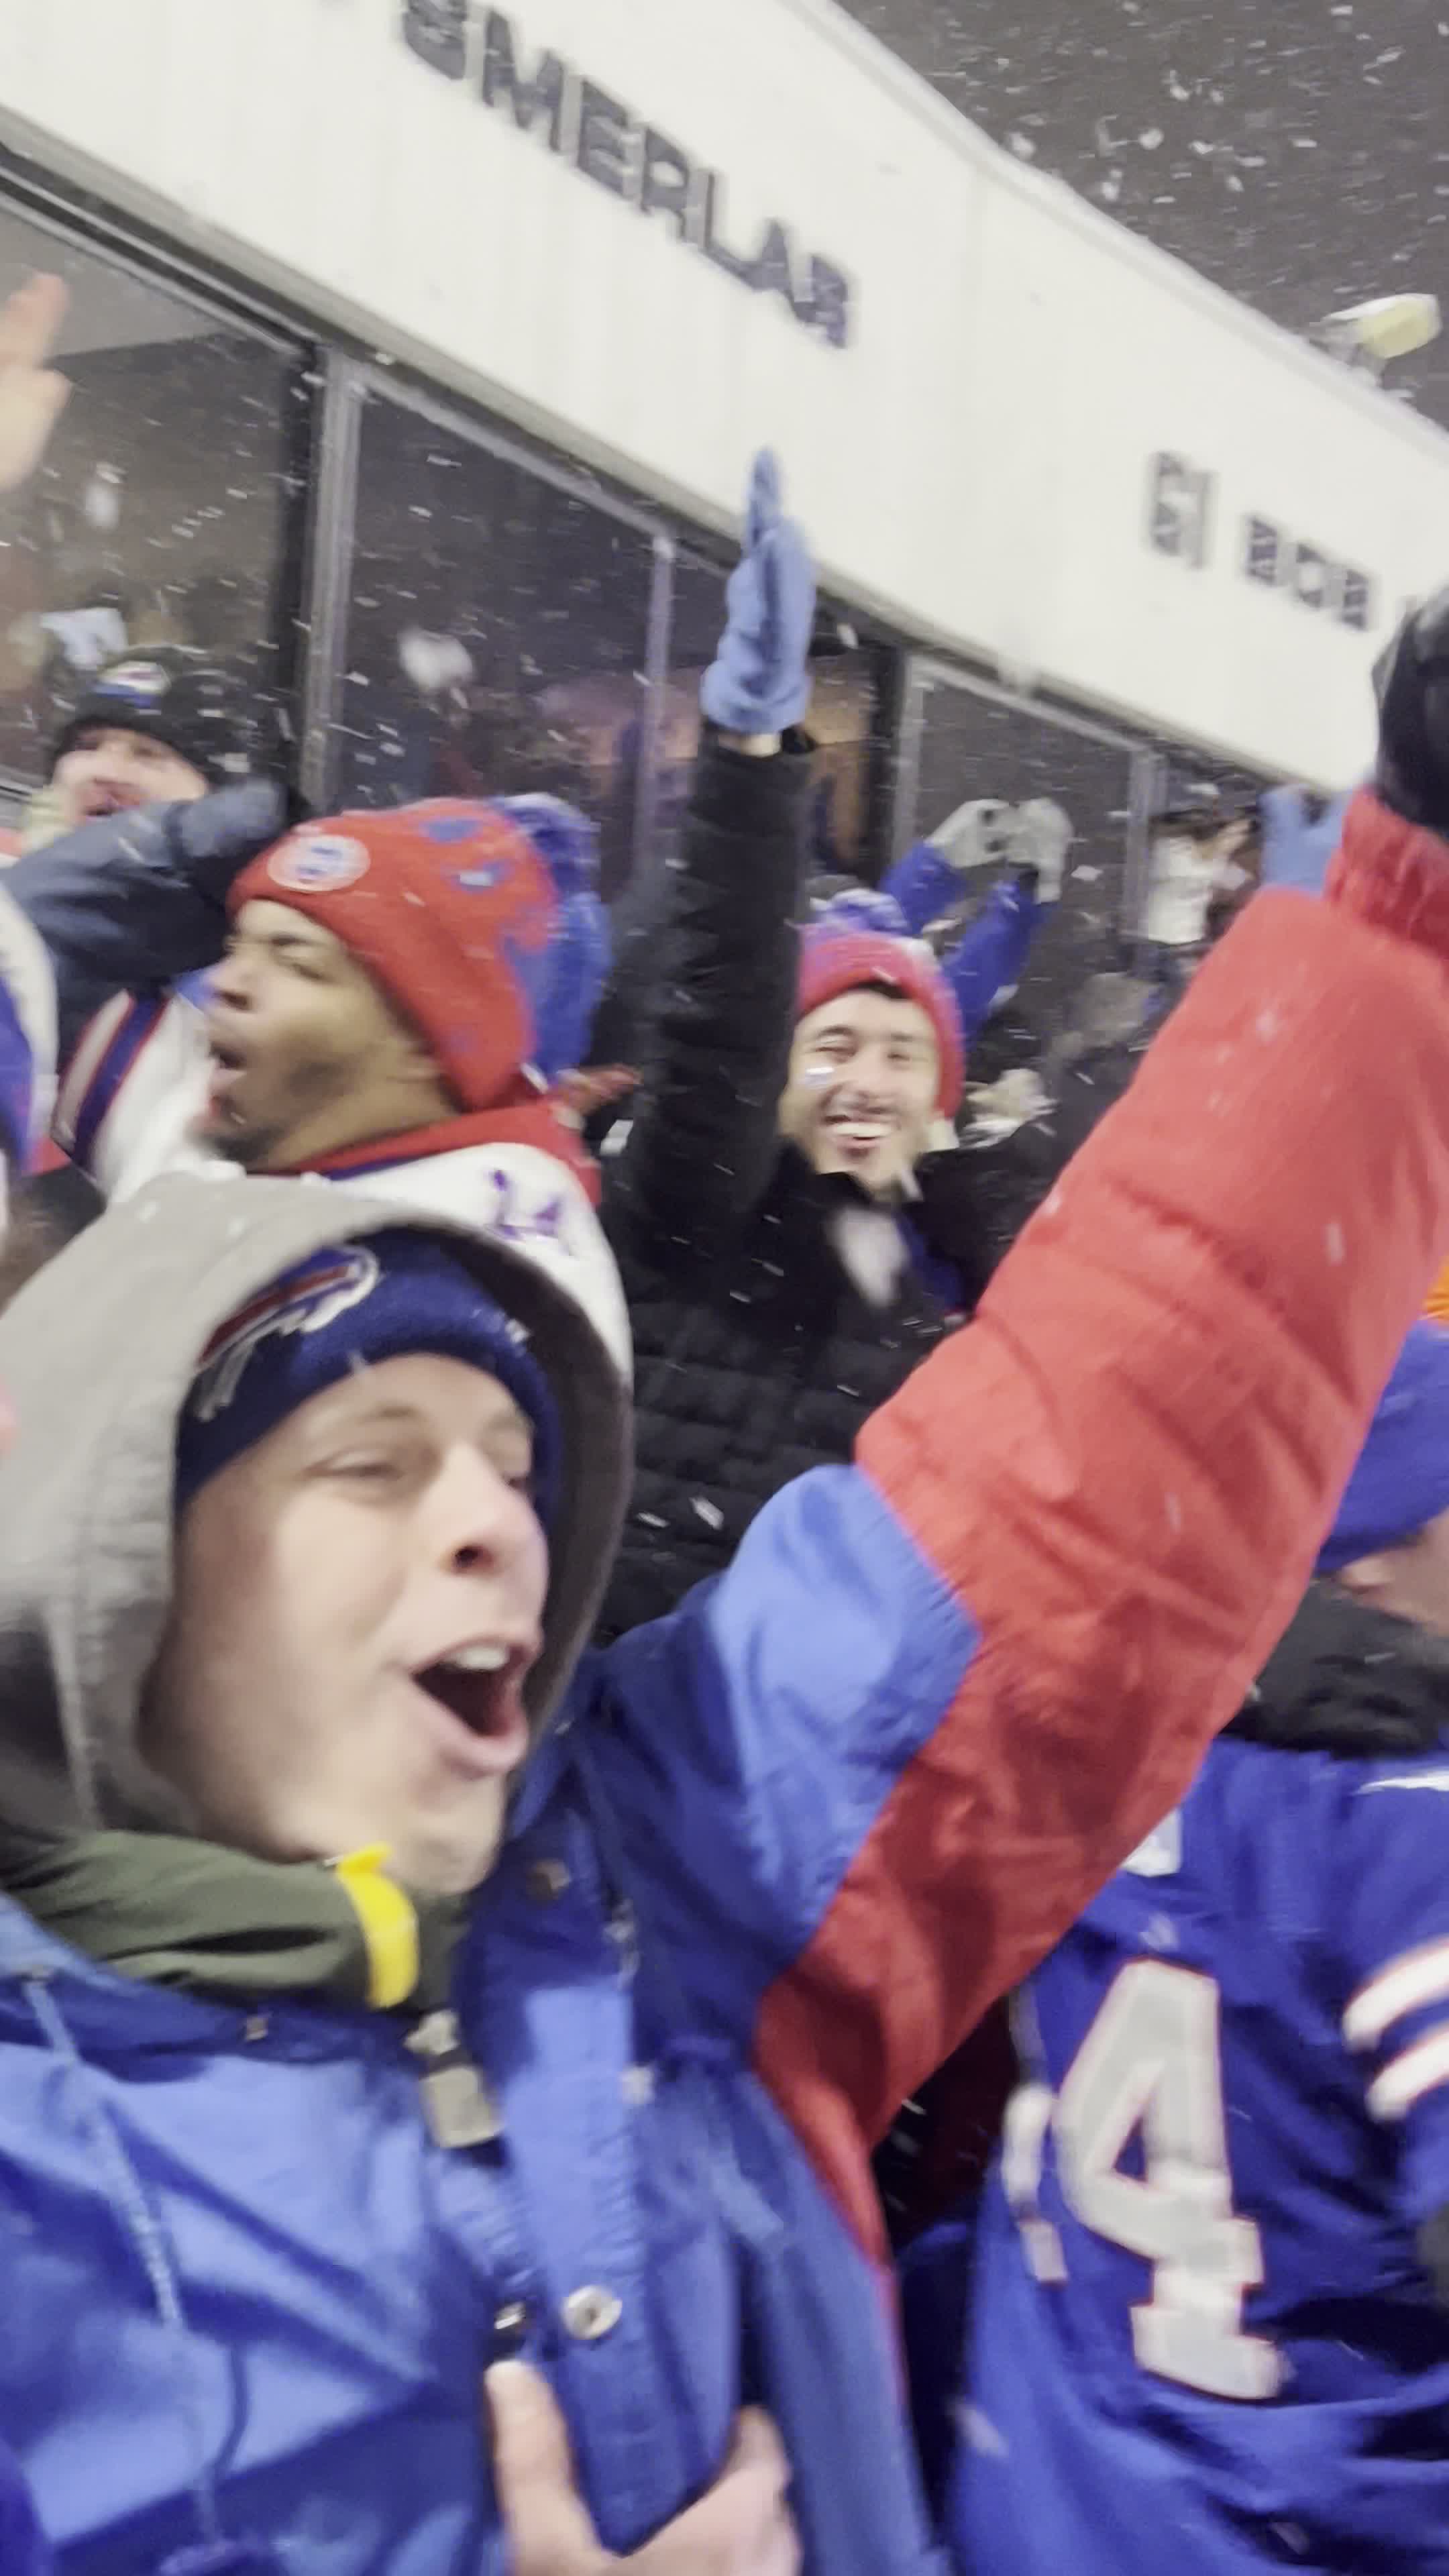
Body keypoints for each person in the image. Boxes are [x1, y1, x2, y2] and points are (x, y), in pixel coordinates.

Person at [5, 591, 1449, 2574]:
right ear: (119, 1572)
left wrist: (1400, 910)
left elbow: (1085, 1473)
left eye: (517, 1464)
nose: (495, 1524)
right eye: (370, 1462)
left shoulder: (663, 1891)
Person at [949, 1320, 1449, 2575]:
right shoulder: (1406, 1831)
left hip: (1047, 2498)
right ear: (1371, 1575)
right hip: (1323, 2530)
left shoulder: (1087, 1749)